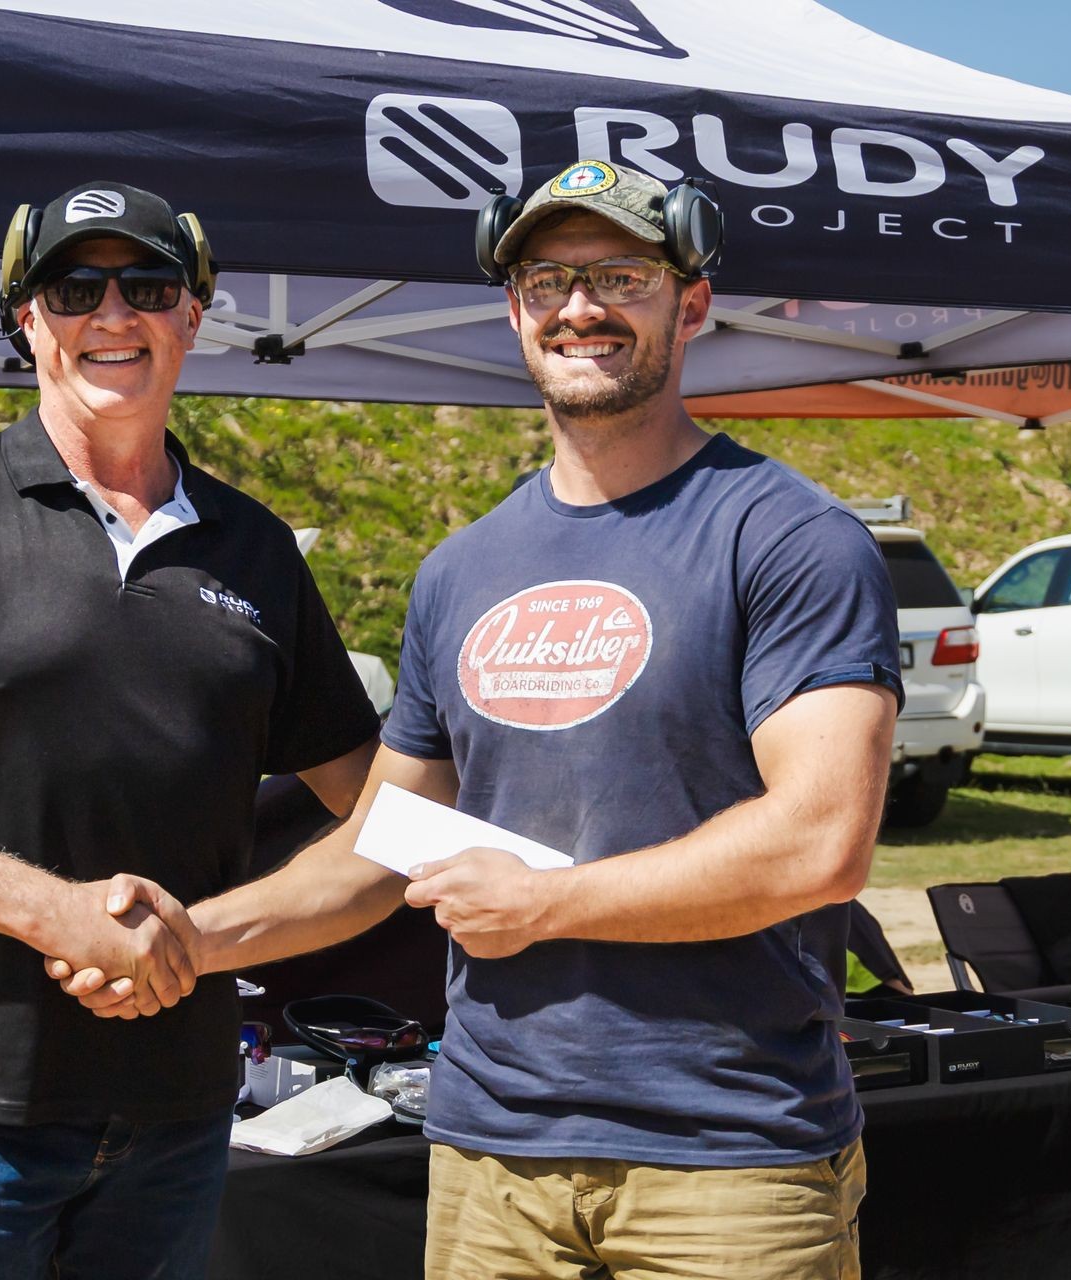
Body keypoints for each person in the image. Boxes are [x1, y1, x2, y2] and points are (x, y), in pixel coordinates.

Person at [55, 158, 904, 1278]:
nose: (581, 306)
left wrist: (550, 903)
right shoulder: (464, 567)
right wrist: (189, 940)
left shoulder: (790, 539)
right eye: (548, 278)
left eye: (622, 275)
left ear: (691, 301)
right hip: (491, 1159)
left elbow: (819, 840)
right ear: (515, 309)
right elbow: (383, 843)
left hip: (728, 1157)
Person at [0, 180, 378, 1279]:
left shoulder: (257, 550)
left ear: (192, 316)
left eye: (147, 284)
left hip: (179, 1120)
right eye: (73, 286)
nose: (111, 313)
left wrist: (201, 941)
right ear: (27, 318)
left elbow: (386, 811)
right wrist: (56, 912)